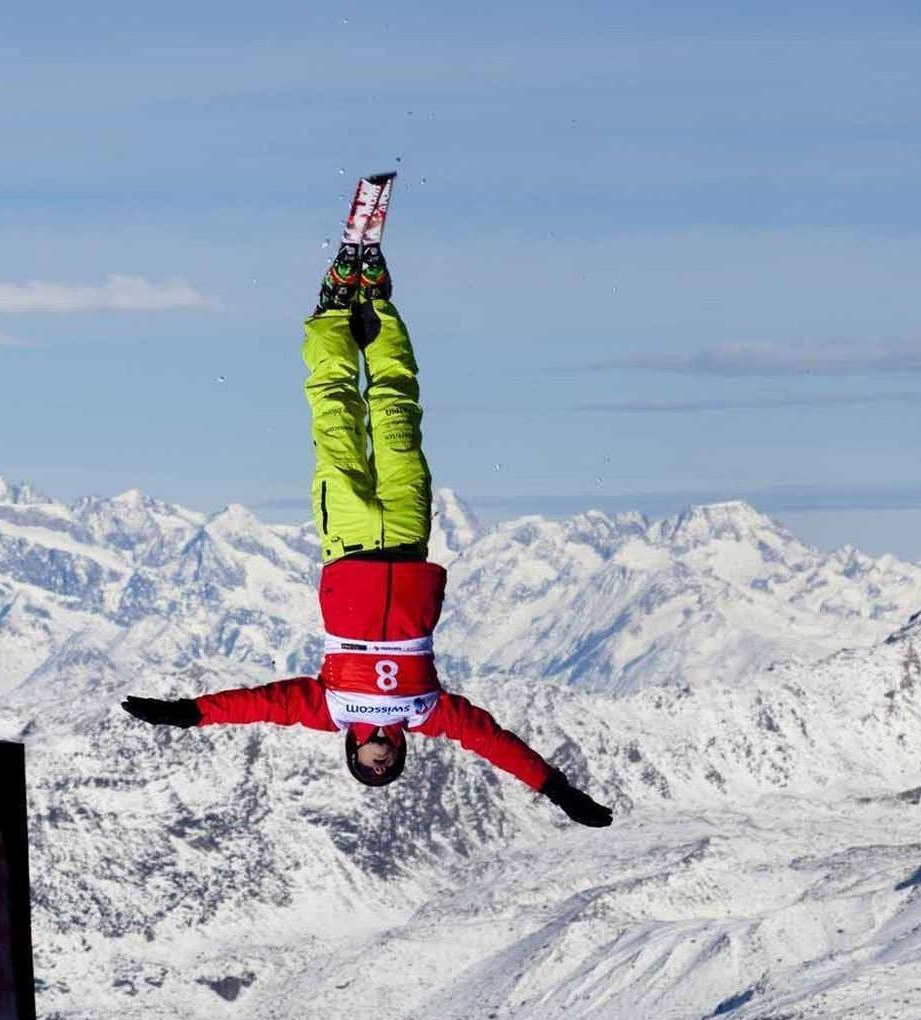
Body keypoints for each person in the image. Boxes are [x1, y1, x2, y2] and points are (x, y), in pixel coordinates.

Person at [122, 242, 614, 828]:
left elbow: (258, 706)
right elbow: (494, 742)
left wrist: (190, 713)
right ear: (400, 752)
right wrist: (558, 790)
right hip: (408, 544)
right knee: (398, 419)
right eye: (387, 768)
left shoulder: (327, 706)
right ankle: (377, 307)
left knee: (335, 421)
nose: (378, 764)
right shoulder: (430, 713)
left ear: (353, 752)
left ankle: (333, 315)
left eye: (367, 768)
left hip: (348, 546)